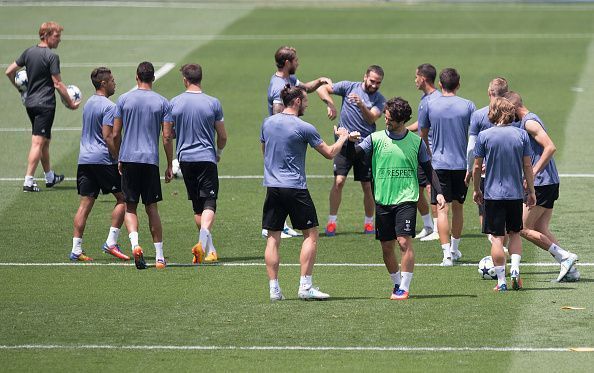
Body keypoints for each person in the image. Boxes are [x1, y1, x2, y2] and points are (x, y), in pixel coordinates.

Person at [347, 97, 445, 300]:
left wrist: (439, 192)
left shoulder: (415, 142)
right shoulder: (375, 139)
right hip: (383, 200)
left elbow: (428, 169)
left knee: (403, 242)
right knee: (386, 247)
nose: (386, 121)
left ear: (401, 121)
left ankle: (405, 288)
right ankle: (397, 283)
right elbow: (354, 156)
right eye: (386, 117)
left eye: (390, 119)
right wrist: (347, 142)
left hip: (406, 199)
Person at [261, 85, 352, 301]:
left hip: (272, 187)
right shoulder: (304, 127)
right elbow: (330, 153)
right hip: (295, 188)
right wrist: (343, 137)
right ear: (298, 102)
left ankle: (274, 289)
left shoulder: (267, 122)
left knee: (273, 238)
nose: (308, 104)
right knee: (311, 234)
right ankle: (305, 286)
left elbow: (264, 151)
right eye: (306, 101)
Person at [505, 91, 580, 282]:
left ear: (513, 108)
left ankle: (565, 257)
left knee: (520, 227)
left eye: (507, 110)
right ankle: (569, 268)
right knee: (541, 228)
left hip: (541, 183)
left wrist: (534, 172)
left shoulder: (529, 122)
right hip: (549, 182)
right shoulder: (527, 120)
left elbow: (550, 147)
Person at [263, 46, 332, 239]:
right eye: (296, 60)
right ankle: (278, 225)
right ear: (287, 63)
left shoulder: (289, 80)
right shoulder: (278, 86)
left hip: (282, 139)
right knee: (283, 178)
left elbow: (306, 88)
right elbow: (279, 116)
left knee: (278, 183)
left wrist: (320, 81)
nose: (298, 63)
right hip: (282, 140)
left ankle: (278, 224)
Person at [112, 61, 174, 270]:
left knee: (130, 206)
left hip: (129, 159)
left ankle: (136, 245)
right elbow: (166, 137)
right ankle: (159, 257)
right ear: (153, 78)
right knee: (152, 208)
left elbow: (115, 133)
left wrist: (119, 155)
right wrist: (168, 164)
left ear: (136, 77)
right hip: (150, 161)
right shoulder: (163, 103)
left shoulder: (123, 100)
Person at [5, 21, 80, 192]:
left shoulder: (29, 52)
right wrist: (71, 103)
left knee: (45, 140)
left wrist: (20, 90)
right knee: (38, 142)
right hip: (45, 105)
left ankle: (49, 176)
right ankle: (28, 181)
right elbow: (58, 84)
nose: (59, 40)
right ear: (45, 35)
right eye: (57, 36)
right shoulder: (51, 57)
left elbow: (9, 71)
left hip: (30, 103)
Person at [472, 97, 536, 291]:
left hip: (492, 194)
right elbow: (527, 165)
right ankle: (515, 270)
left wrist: (476, 189)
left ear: (493, 112)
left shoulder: (484, 136)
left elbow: (476, 166)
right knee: (515, 233)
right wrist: (531, 190)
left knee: (498, 238)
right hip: (515, 194)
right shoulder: (521, 135)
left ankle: (501, 282)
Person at [169, 63, 227, 264]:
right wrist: (218, 153)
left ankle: (210, 250)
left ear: (185, 80)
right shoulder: (213, 103)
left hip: (185, 160)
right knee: (210, 202)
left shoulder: (174, 103)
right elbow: (222, 136)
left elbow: (169, 134)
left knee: (197, 207)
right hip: (206, 158)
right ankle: (202, 244)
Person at [318, 65, 386, 236]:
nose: (374, 85)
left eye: (378, 83)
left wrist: (361, 104)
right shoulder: (349, 87)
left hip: (365, 145)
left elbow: (371, 118)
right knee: (339, 181)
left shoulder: (380, 100)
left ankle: (369, 223)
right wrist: (331, 104)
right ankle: (332, 222)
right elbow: (322, 88)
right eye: (372, 81)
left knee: (367, 186)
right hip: (344, 143)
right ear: (365, 77)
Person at [70, 67, 129, 262]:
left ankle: (76, 249)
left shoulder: (88, 103)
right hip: (102, 160)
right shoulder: (109, 106)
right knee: (124, 198)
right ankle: (111, 242)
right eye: (112, 80)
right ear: (103, 83)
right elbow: (108, 135)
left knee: (85, 204)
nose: (115, 83)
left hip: (85, 159)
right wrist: (118, 157)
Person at [419, 68, 475, 266]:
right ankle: (455, 248)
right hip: (461, 165)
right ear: (458, 85)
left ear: (440, 84)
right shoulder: (468, 106)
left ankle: (447, 256)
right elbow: (474, 138)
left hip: (438, 164)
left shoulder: (429, 104)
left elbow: (423, 134)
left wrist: (429, 153)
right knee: (458, 208)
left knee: (442, 209)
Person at [466, 77, 514, 248]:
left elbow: (471, 147)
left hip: (486, 172)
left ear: (489, 92)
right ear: (506, 93)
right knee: (509, 213)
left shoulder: (479, 115)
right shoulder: (512, 113)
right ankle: (504, 247)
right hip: (511, 171)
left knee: (485, 209)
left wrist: (469, 169)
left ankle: (496, 246)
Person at [406, 63, 441, 241]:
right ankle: (427, 225)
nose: (415, 80)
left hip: (432, 152)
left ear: (423, 78)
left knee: (430, 188)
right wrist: (402, 130)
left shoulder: (435, 100)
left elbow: (427, 129)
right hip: (423, 150)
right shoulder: (425, 98)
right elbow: (421, 125)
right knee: (417, 188)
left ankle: (437, 228)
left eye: (416, 76)